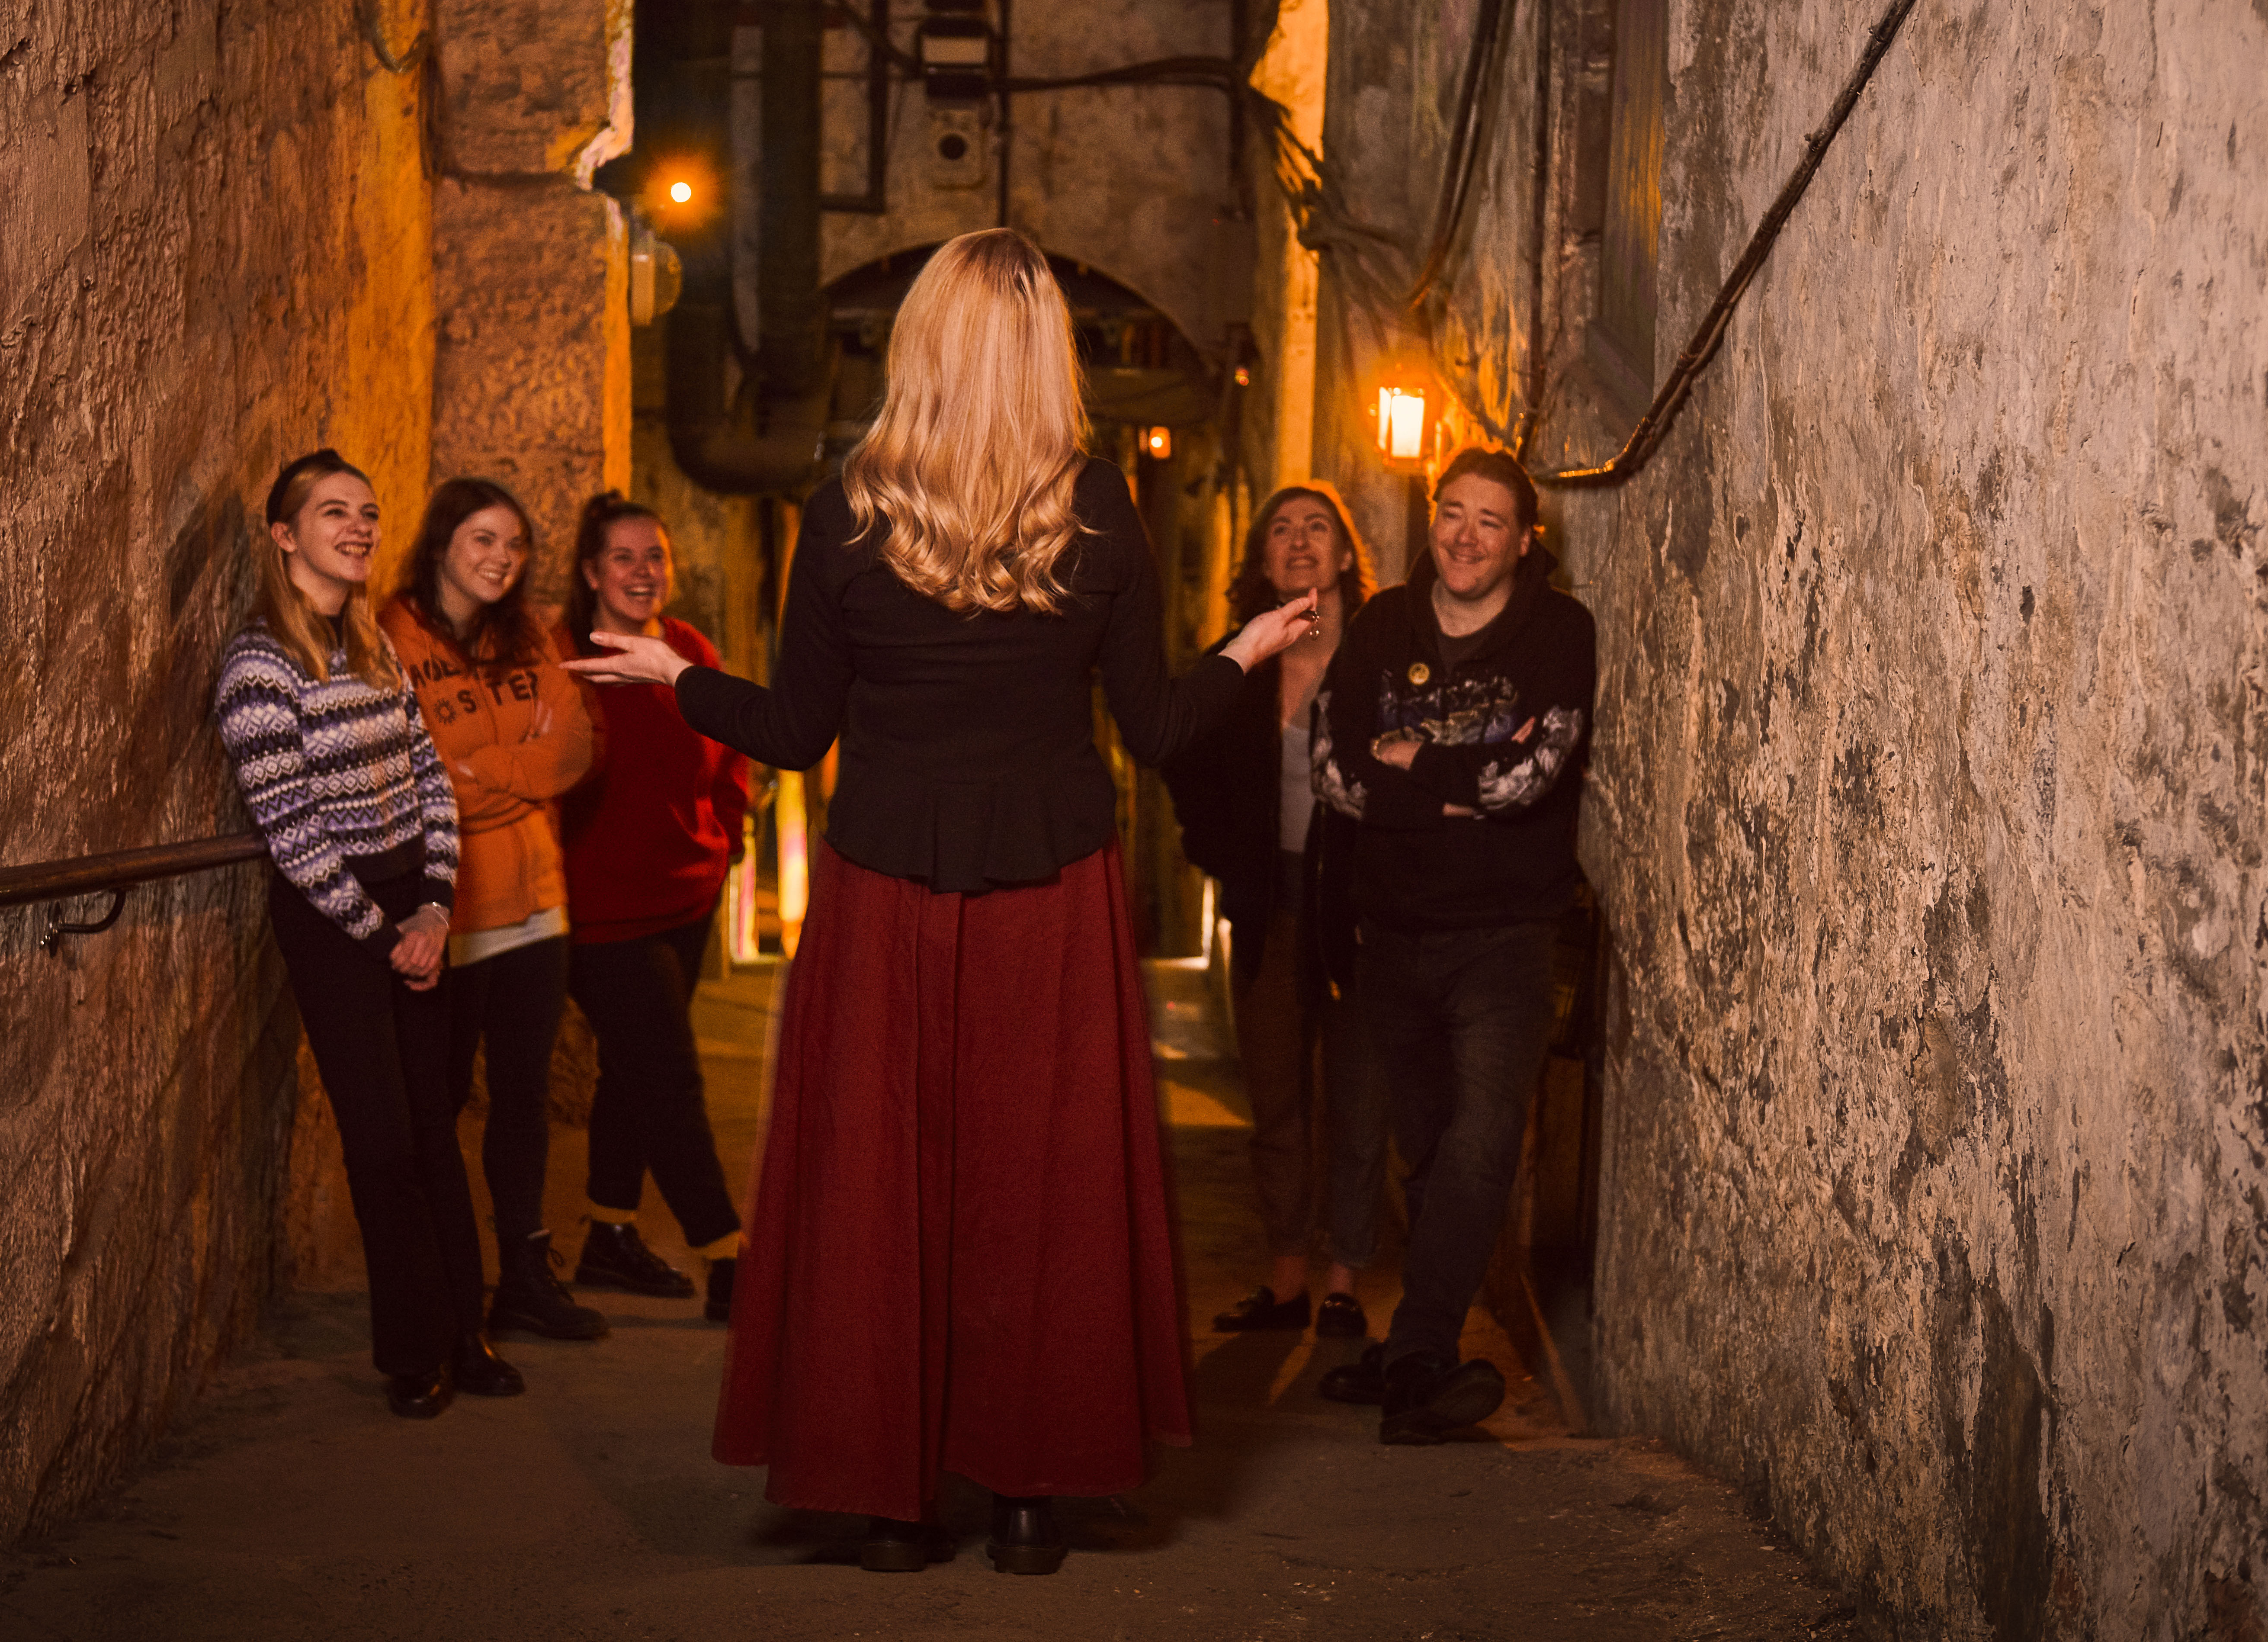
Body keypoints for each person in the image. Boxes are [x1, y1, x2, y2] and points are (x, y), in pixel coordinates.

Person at [568, 228, 1318, 1578]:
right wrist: (1243, 647)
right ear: (1047, 356)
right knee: (1047, 1185)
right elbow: (1152, 726)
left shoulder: (850, 507)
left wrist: (670, 678)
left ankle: (893, 1495)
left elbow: (794, 729)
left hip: (884, 892)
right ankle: (1031, 1494)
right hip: (1054, 893)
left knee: (878, 1181)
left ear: (918, 341)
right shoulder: (1096, 504)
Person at [213, 448, 520, 1418]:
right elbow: (291, 830)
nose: (358, 527)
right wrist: (383, 931)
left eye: (368, 511)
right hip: (331, 920)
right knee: (381, 1138)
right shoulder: (258, 667)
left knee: (435, 1125)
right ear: (284, 534)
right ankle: (411, 1350)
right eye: (333, 511)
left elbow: (430, 775)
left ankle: (465, 1332)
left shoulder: (376, 646)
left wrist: (432, 903)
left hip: (411, 907)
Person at [1309, 447, 1597, 1445]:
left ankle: (1423, 1347)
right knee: (1425, 1148)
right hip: (1390, 930)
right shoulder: (1383, 623)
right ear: (1430, 518)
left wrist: (1413, 765)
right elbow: (1334, 772)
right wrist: (1457, 791)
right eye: (1451, 512)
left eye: (1489, 521)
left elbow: (1533, 780)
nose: (1464, 536)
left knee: (1480, 1140)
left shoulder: (1558, 631)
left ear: (1524, 540)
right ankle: (1412, 1355)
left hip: (1504, 937)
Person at [381, 477, 607, 1346]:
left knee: (521, 1100)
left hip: (534, 906)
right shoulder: (392, 635)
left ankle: (523, 1276)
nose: (499, 558)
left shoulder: (528, 635)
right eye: (482, 539)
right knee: (434, 1103)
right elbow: (417, 766)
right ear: (441, 542)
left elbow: (572, 744)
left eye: (512, 544)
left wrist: (488, 774)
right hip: (447, 910)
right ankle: (444, 1281)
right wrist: (500, 769)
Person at [1164, 483, 1386, 1341]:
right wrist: (1216, 853)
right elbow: (1181, 754)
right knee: (1276, 1094)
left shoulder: (1378, 652)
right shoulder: (1237, 661)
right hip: (1268, 908)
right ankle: (1286, 1277)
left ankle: (1342, 1282)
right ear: (1263, 561)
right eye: (1281, 530)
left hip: (1359, 910)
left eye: (1316, 527)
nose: (1298, 541)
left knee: (1358, 1095)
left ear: (1341, 556)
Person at [549, 491, 751, 1322]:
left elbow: (731, 753)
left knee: (633, 1070)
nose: (642, 572)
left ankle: (609, 1232)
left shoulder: (689, 648)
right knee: (669, 1074)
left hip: (688, 896)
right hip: (600, 911)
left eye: (654, 556)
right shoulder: (563, 658)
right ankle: (728, 1255)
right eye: (624, 558)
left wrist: (728, 841)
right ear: (593, 572)